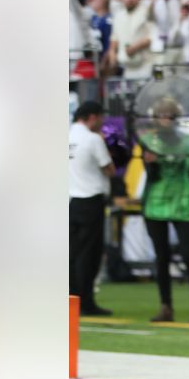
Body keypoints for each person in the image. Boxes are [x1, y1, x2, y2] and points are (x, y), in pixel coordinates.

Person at [138, 97, 189, 324]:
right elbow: (152, 178)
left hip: (182, 201)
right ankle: (165, 307)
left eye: (170, 115)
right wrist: (149, 163)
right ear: (155, 118)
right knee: (162, 257)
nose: (166, 119)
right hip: (156, 202)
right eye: (162, 115)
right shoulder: (148, 141)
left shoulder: (187, 141)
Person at [69, 101, 116, 317]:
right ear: (92, 117)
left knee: (71, 254)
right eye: (100, 118)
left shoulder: (67, 136)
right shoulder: (92, 139)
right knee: (89, 255)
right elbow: (109, 169)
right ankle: (86, 302)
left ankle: (71, 298)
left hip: (70, 200)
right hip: (91, 200)